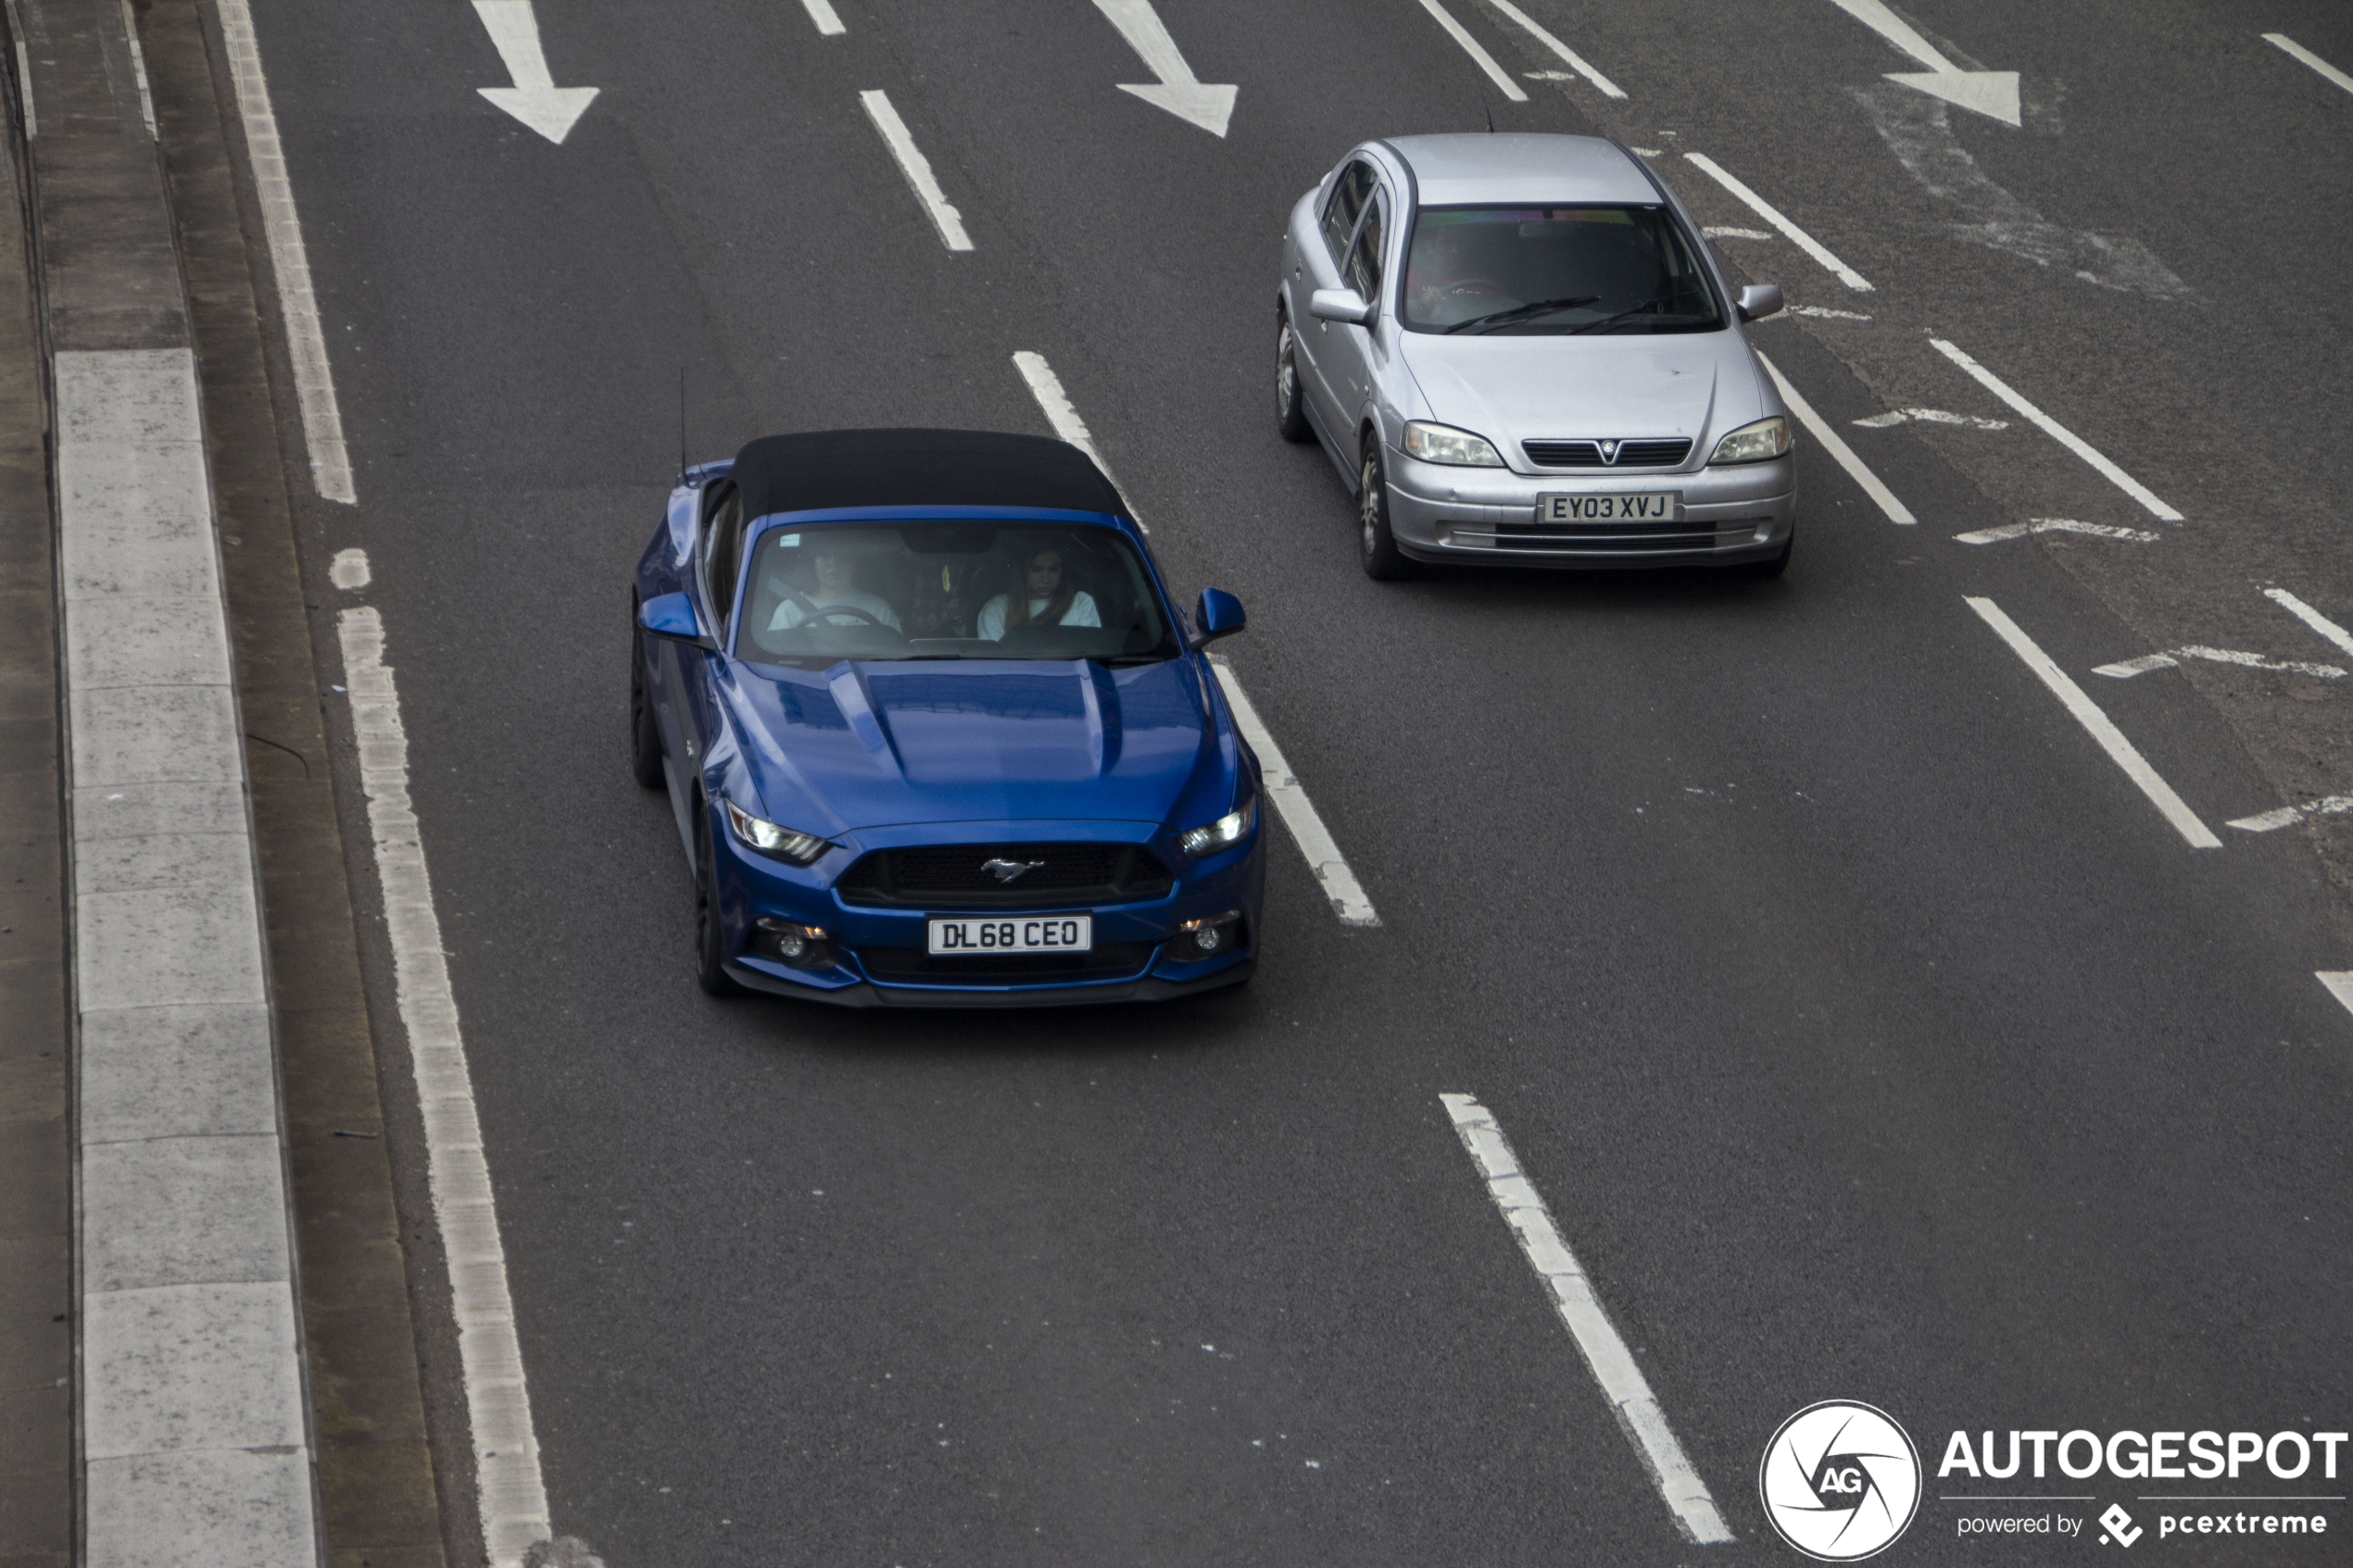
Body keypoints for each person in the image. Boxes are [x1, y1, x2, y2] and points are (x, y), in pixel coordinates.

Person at [977, 546, 1101, 641]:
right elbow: (994, 662)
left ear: (1062, 571)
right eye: (1037, 570)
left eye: (1053, 569)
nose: (1046, 579)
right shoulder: (997, 608)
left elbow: (1091, 653)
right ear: (1023, 572)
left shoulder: (1080, 603)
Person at [766, 547, 901, 632]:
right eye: (824, 556)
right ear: (813, 563)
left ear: (854, 563)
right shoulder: (789, 609)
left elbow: (894, 659)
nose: (833, 563)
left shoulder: (877, 608)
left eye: (842, 555)